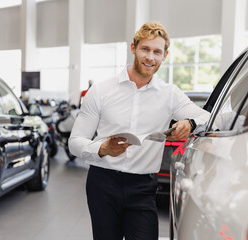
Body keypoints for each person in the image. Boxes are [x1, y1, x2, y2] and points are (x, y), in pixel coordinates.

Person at [69, 21, 210, 240]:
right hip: (103, 183)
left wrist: (190, 124)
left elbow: (206, 117)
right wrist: (102, 148)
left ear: (164, 56)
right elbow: (75, 141)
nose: (150, 58)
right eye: (145, 49)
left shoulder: (169, 94)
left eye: (157, 52)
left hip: (143, 187)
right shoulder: (101, 91)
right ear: (133, 48)